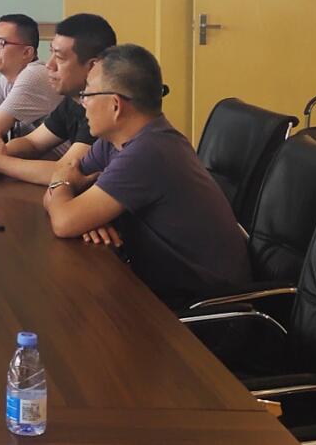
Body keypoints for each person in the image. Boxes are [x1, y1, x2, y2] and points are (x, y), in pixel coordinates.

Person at [42, 44, 251, 305]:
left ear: (115, 105)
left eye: (88, 94)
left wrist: (64, 186)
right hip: (154, 282)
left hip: (203, 305)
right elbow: (58, 203)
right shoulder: (114, 141)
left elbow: (63, 219)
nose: (83, 103)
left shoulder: (149, 152)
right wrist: (86, 214)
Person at [0, 13, 116, 184]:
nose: (49, 64)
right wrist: (0, 150)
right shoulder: (74, 99)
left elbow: (65, 171)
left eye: (59, 57)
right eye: (51, 53)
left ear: (93, 66)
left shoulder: (105, 108)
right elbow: (33, 142)